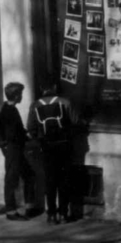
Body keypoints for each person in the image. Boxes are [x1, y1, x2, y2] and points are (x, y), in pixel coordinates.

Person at [0, 82, 43, 220]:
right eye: (20, 94)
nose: (22, 96)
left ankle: (29, 206)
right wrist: (25, 136)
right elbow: (12, 133)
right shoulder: (9, 111)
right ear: (15, 96)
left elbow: (16, 130)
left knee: (28, 175)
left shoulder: (8, 109)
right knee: (11, 179)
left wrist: (24, 134)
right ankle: (11, 211)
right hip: (13, 149)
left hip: (15, 148)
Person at [27, 83, 76, 223]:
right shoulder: (65, 102)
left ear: (42, 89)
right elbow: (75, 121)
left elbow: (31, 128)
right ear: (55, 87)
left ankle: (51, 214)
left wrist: (39, 139)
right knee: (64, 179)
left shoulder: (35, 106)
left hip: (46, 146)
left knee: (50, 179)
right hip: (64, 145)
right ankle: (64, 213)